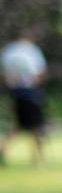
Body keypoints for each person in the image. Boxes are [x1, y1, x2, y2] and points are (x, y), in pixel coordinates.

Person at [2, 32, 49, 166]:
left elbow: (4, 75)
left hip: (16, 92)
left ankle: (2, 148)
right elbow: (40, 72)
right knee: (37, 127)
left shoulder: (8, 51)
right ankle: (39, 159)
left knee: (20, 126)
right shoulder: (32, 51)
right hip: (30, 92)